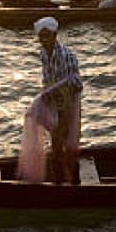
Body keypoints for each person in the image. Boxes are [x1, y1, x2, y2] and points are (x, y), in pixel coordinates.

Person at [35, 17, 83, 184]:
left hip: (70, 99)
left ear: (55, 35)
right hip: (56, 101)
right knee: (56, 141)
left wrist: (60, 92)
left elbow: (76, 83)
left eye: (47, 36)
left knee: (68, 142)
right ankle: (59, 180)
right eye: (41, 37)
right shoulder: (43, 54)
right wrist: (48, 92)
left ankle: (73, 181)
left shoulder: (65, 55)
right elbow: (47, 78)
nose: (44, 40)